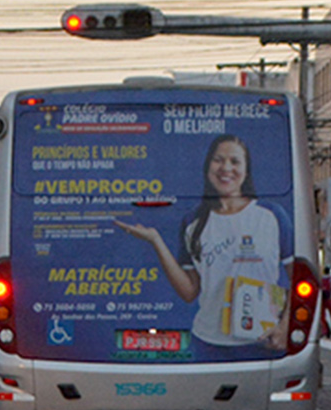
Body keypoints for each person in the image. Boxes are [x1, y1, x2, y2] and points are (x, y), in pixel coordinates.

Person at [113, 134, 288, 351]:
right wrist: (156, 241)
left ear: (246, 169)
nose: (226, 168)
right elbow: (189, 292)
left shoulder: (271, 215)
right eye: (218, 160)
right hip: (206, 341)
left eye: (235, 161)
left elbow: (301, 274)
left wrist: (285, 325)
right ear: (207, 167)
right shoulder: (193, 221)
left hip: (262, 341)